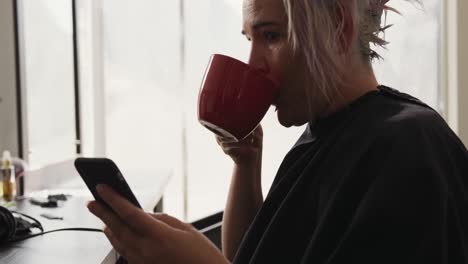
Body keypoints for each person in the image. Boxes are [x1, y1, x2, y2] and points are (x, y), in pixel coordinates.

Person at [87, 0, 468, 263]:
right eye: (248, 39)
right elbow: (251, 256)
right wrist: (247, 166)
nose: (252, 64)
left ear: (337, 27)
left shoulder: (408, 148)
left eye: (271, 36)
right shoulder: (322, 136)